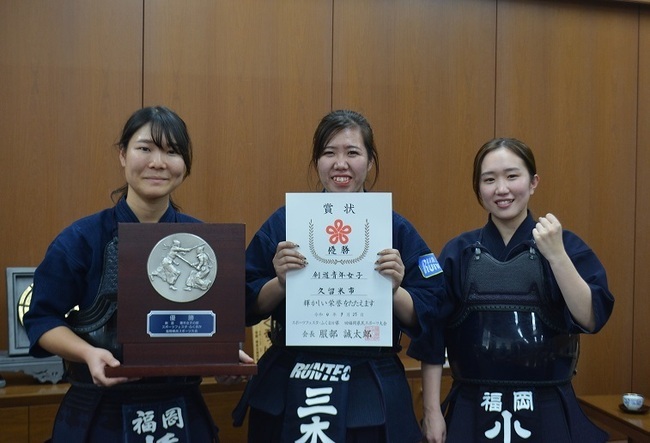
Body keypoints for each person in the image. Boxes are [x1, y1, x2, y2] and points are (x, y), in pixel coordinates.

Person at [24, 106, 253, 443]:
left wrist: (221, 357)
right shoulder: (81, 239)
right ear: (122, 154)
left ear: (185, 164)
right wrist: (88, 353)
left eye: (172, 151)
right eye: (145, 148)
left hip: (182, 412)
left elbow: (213, 320)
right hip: (100, 413)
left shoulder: (204, 242)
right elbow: (41, 320)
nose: (158, 162)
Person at [232, 109, 447, 442]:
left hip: (370, 378)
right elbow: (244, 300)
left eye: (352, 153)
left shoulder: (393, 228)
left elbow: (433, 310)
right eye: (329, 153)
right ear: (317, 161)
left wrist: (394, 290)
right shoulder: (286, 222)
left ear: (370, 161)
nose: (340, 163)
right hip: (293, 371)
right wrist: (280, 284)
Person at [421, 137, 615, 442]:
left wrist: (557, 255)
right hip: (473, 401)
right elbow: (432, 336)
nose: (502, 189)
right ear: (478, 188)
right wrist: (432, 412)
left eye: (512, 176)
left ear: (533, 182)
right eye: (489, 179)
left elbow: (591, 318)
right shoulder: (457, 252)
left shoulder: (565, 246)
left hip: (547, 402)